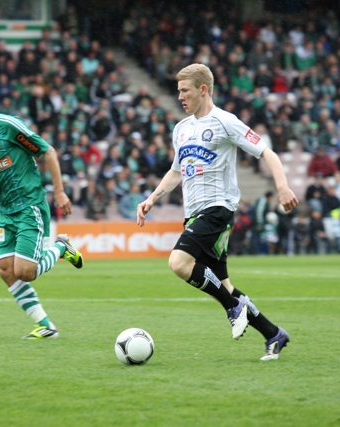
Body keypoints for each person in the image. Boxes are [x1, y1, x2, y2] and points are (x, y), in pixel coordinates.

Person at [136, 64, 299, 361]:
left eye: (185, 91)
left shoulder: (226, 122)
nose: (181, 97)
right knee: (224, 285)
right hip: (194, 214)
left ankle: (231, 308)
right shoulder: (181, 129)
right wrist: (152, 198)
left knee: (179, 262)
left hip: (218, 209)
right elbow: (176, 172)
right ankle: (273, 334)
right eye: (178, 91)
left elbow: (267, 152)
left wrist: (283, 187)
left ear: (203, 89)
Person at [0, 74, 83, 340]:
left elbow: (47, 152)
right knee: (5, 269)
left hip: (29, 204)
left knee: (26, 272)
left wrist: (59, 192)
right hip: (3, 209)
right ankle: (45, 325)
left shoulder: (8, 127)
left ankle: (61, 247)